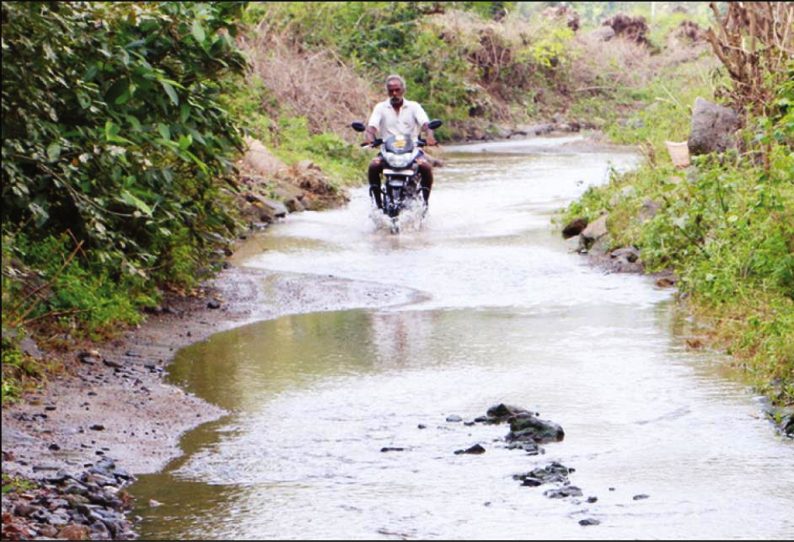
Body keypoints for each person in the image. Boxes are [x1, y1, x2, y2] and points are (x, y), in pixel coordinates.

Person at [366, 74, 437, 209]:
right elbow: (372, 126)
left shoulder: (414, 106)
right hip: (388, 151)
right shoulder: (380, 107)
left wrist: (430, 136)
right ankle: (378, 202)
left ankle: (425, 201)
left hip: (413, 150)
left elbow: (425, 124)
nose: (394, 93)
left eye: (397, 90)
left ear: (403, 90)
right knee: (373, 166)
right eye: (391, 90)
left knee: (426, 167)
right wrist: (369, 137)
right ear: (387, 91)